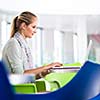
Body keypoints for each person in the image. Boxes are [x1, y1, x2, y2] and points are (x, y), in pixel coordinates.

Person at [2, 11, 62, 79]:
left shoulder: (24, 45)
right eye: (33, 27)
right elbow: (20, 75)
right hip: (13, 89)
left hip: (25, 86)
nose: (35, 31)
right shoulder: (13, 44)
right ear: (24, 26)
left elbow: (28, 77)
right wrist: (46, 67)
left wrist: (42, 73)